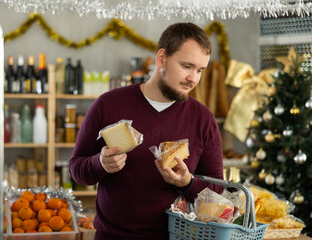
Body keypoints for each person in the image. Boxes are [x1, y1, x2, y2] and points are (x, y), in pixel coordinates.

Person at [69, 22, 224, 240]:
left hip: (177, 236)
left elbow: (217, 190)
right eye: (187, 66)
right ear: (161, 58)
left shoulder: (203, 119)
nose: (194, 78)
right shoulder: (108, 104)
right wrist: (100, 164)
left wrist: (188, 183)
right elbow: (76, 169)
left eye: (200, 70)